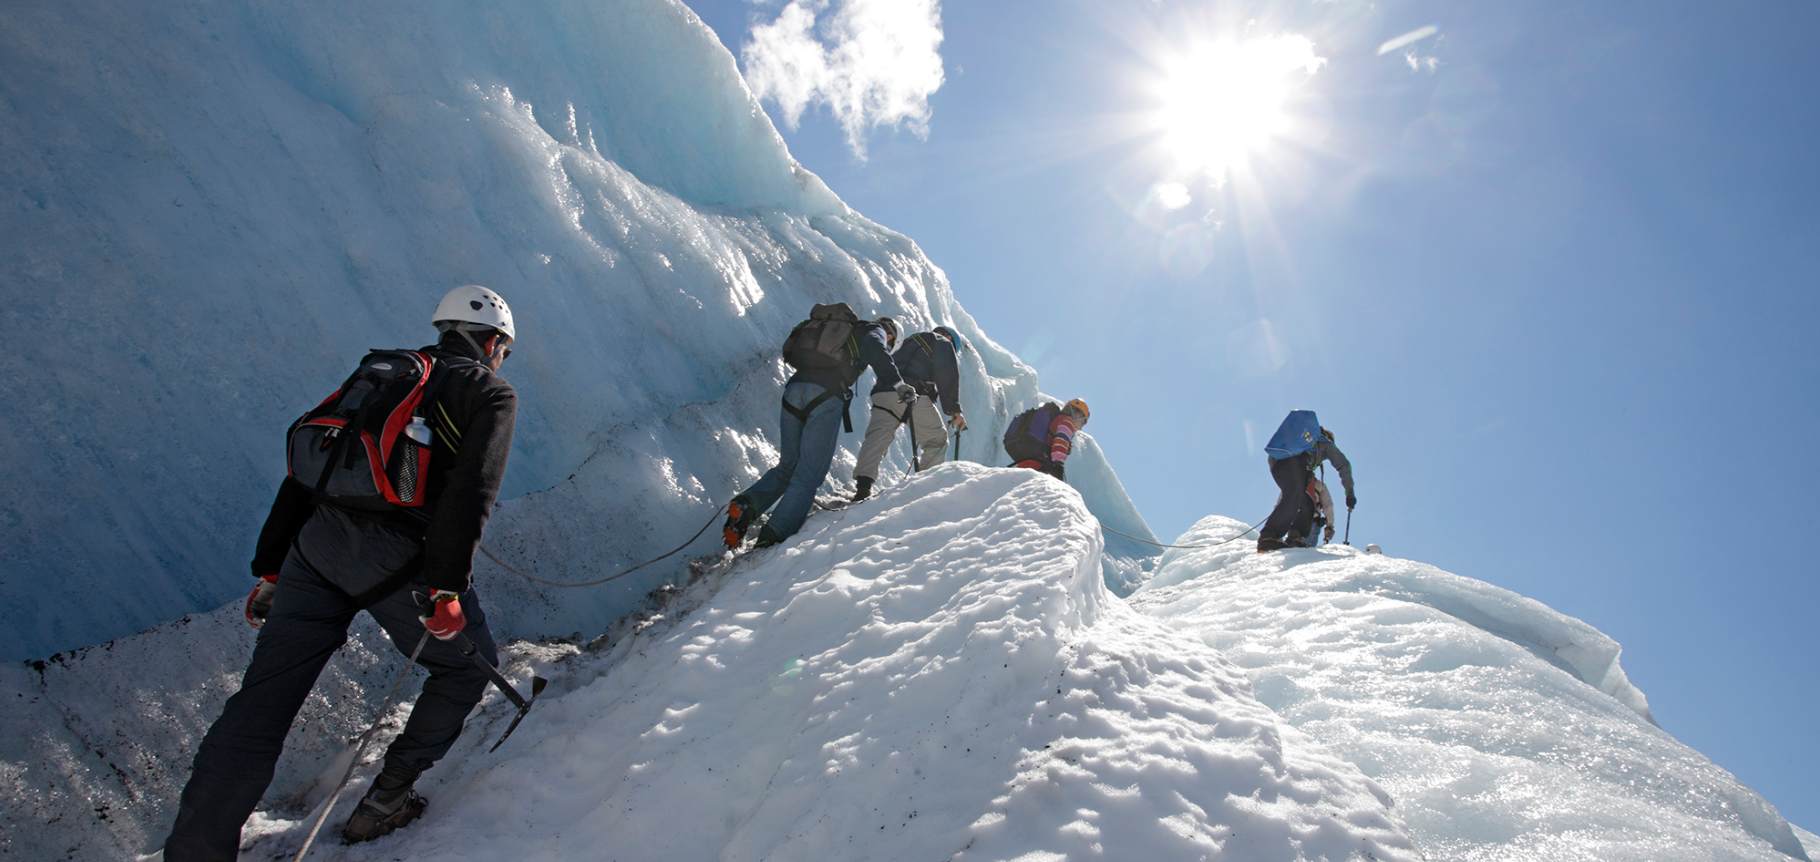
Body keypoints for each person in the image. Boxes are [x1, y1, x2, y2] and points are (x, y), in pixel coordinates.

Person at [163, 285, 519, 858]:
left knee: (258, 709)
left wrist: (273, 569)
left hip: (313, 547)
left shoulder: (385, 373)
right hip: (397, 557)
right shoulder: (488, 391)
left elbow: (309, 467)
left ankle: (195, 852)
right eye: (504, 349)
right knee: (462, 671)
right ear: (493, 342)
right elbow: (470, 492)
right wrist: (445, 588)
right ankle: (384, 804)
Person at [724, 307, 908, 549]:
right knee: (809, 473)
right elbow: (876, 349)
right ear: (892, 335)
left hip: (795, 390)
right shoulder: (875, 331)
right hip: (825, 396)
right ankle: (774, 536)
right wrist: (899, 384)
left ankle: (746, 505)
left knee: (788, 464)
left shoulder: (844, 329)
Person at [851, 325, 968, 501]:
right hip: (913, 393)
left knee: (877, 437)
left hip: (883, 392)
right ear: (950, 339)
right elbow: (946, 372)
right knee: (936, 441)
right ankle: (923, 489)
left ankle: (863, 486)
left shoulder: (908, 341)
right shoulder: (942, 342)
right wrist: (954, 411)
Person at [1259, 424, 1355, 552]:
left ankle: (1286, 537)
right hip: (1296, 462)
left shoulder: (1300, 440)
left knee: (1296, 498)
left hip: (1276, 462)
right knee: (1305, 501)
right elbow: (1343, 465)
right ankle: (1273, 537)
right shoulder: (1325, 443)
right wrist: (1350, 493)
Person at [1003, 398, 1089, 480]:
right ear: (1077, 414)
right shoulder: (1067, 421)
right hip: (1039, 457)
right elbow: (1061, 440)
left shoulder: (1056, 418)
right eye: (1083, 421)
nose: (1080, 426)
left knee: (1025, 478)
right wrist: (1058, 464)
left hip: (1026, 453)